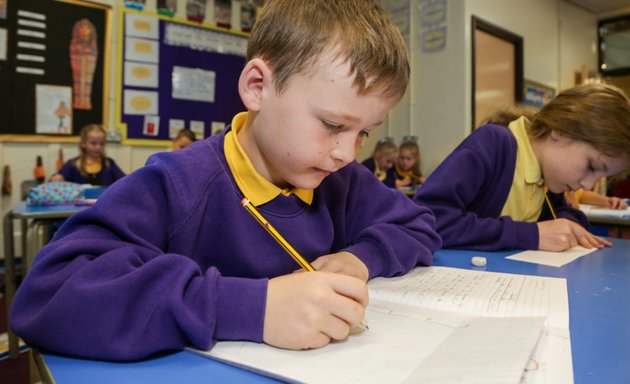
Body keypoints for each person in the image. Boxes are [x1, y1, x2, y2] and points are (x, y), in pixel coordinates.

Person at [11, 0, 441, 361]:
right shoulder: (177, 183)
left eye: (363, 133)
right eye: (332, 124)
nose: (348, 153)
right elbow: (50, 293)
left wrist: (361, 258)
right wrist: (252, 308)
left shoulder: (340, 180)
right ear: (257, 87)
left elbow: (419, 224)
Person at [414, 83, 630, 252]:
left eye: (603, 176)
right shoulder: (494, 144)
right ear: (560, 131)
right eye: (591, 166)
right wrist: (530, 234)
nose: (588, 184)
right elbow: (430, 219)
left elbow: (562, 213)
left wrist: (567, 225)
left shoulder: (548, 176)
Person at [50, 124, 126, 186]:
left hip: (103, 203)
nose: (98, 147)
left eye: (102, 143)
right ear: (83, 143)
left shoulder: (109, 164)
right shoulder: (73, 164)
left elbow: (125, 180)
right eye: (93, 143)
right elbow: (56, 178)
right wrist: (56, 178)